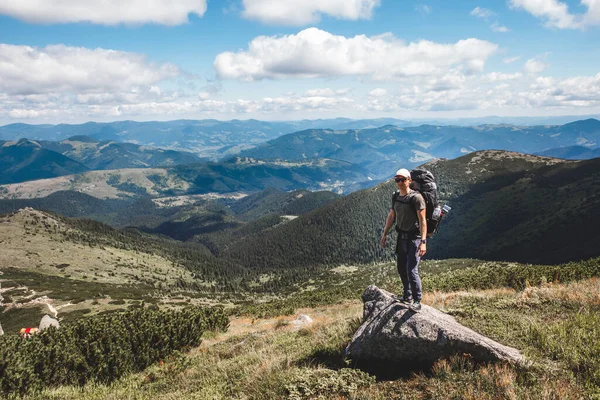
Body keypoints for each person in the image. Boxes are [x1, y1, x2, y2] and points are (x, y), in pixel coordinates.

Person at [380, 168, 427, 312]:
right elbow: (392, 215)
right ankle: (407, 295)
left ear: (409, 181)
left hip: (415, 238)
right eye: (397, 179)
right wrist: (385, 233)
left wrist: (423, 242)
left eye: (403, 179)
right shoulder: (396, 196)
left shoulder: (416, 198)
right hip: (402, 237)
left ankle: (417, 300)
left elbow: (423, 220)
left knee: (411, 270)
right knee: (401, 268)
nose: (400, 182)